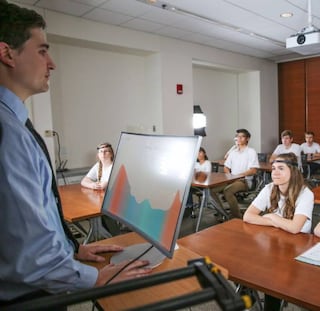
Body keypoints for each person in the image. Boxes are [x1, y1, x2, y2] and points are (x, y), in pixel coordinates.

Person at [0, 2, 151, 307]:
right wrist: (97, 279)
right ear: (7, 53)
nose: (52, 63)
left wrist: (71, 248)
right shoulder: (7, 133)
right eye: (42, 51)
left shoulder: (14, 123)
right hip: (27, 299)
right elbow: (32, 253)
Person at [243, 152, 314, 310]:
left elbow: (295, 228)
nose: (275, 172)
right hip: (275, 240)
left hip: (298, 247)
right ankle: (248, 296)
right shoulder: (269, 188)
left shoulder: (305, 194)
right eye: (273, 168)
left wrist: (272, 217)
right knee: (244, 262)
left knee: (274, 276)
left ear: (293, 171)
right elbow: (247, 216)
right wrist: (276, 223)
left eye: (281, 168)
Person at [210, 128, 259, 219]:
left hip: (245, 181)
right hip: (232, 179)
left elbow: (253, 170)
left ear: (247, 139)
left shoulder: (251, 152)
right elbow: (226, 167)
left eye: (242, 137)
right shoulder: (233, 152)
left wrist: (238, 176)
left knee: (228, 191)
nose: (239, 139)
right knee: (211, 191)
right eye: (237, 136)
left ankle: (236, 217)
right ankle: (222, 213)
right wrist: (230, 176)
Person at [187, 147, 212, 214]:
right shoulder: (195, 163)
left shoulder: (207, 163)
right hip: (195, 184)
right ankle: (187, 207)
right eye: (197, 153)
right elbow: (192, 174)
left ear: (204, 153)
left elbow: (206, 174)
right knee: (185, 190)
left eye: (200, 152)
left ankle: (189, 207)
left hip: (203, 185)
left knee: (188, 190)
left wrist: (197, 173)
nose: (198, 154)